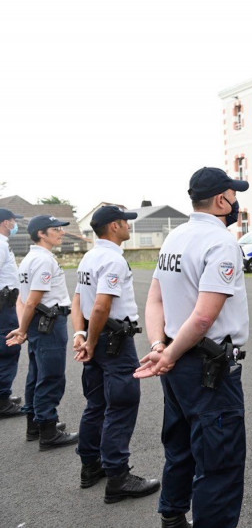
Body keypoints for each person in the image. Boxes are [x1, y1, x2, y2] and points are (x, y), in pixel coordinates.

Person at [134, 167, 249, 528]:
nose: (236, 204)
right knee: (220, 461)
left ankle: (172, 515)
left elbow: (154, 300)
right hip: (207, 367)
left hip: (176, 361)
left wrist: (160, 346)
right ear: (221, 200)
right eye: (234, 196)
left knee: (180, 445)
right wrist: (166, 354)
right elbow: (203, 318)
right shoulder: (221, 243)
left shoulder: (175, 237)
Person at [71, 205, 160, 502]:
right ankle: (118, 477)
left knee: (96, 404)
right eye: (125, 222)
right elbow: (100, 305)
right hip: (112, 341)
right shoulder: (113, 260)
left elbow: (78, 301)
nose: (128, 227)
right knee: (121, 405)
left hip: (96, 337)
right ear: (113, 226)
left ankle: (90, 466)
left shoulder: (89, 257)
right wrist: (92, 341)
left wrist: (82, 335)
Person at [6, 215, 79, 449]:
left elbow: (23, 300)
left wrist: (23, 327)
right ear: (41, 234)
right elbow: (31, 300)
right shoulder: (43, 260)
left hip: (38, 322)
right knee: (51, 375)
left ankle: (35, 424)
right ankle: (48, 430)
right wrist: (22, 328)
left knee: (36, 374)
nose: (61, 232)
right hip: (49, 322)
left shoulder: (29, 258)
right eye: (55, 229)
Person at [0, 208, 25, 418]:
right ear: (6, 223)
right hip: (3, 305)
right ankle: (1, 400)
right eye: (14, 221)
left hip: (6, 303)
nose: (15, 225)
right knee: (8, 348)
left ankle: (3, 396)